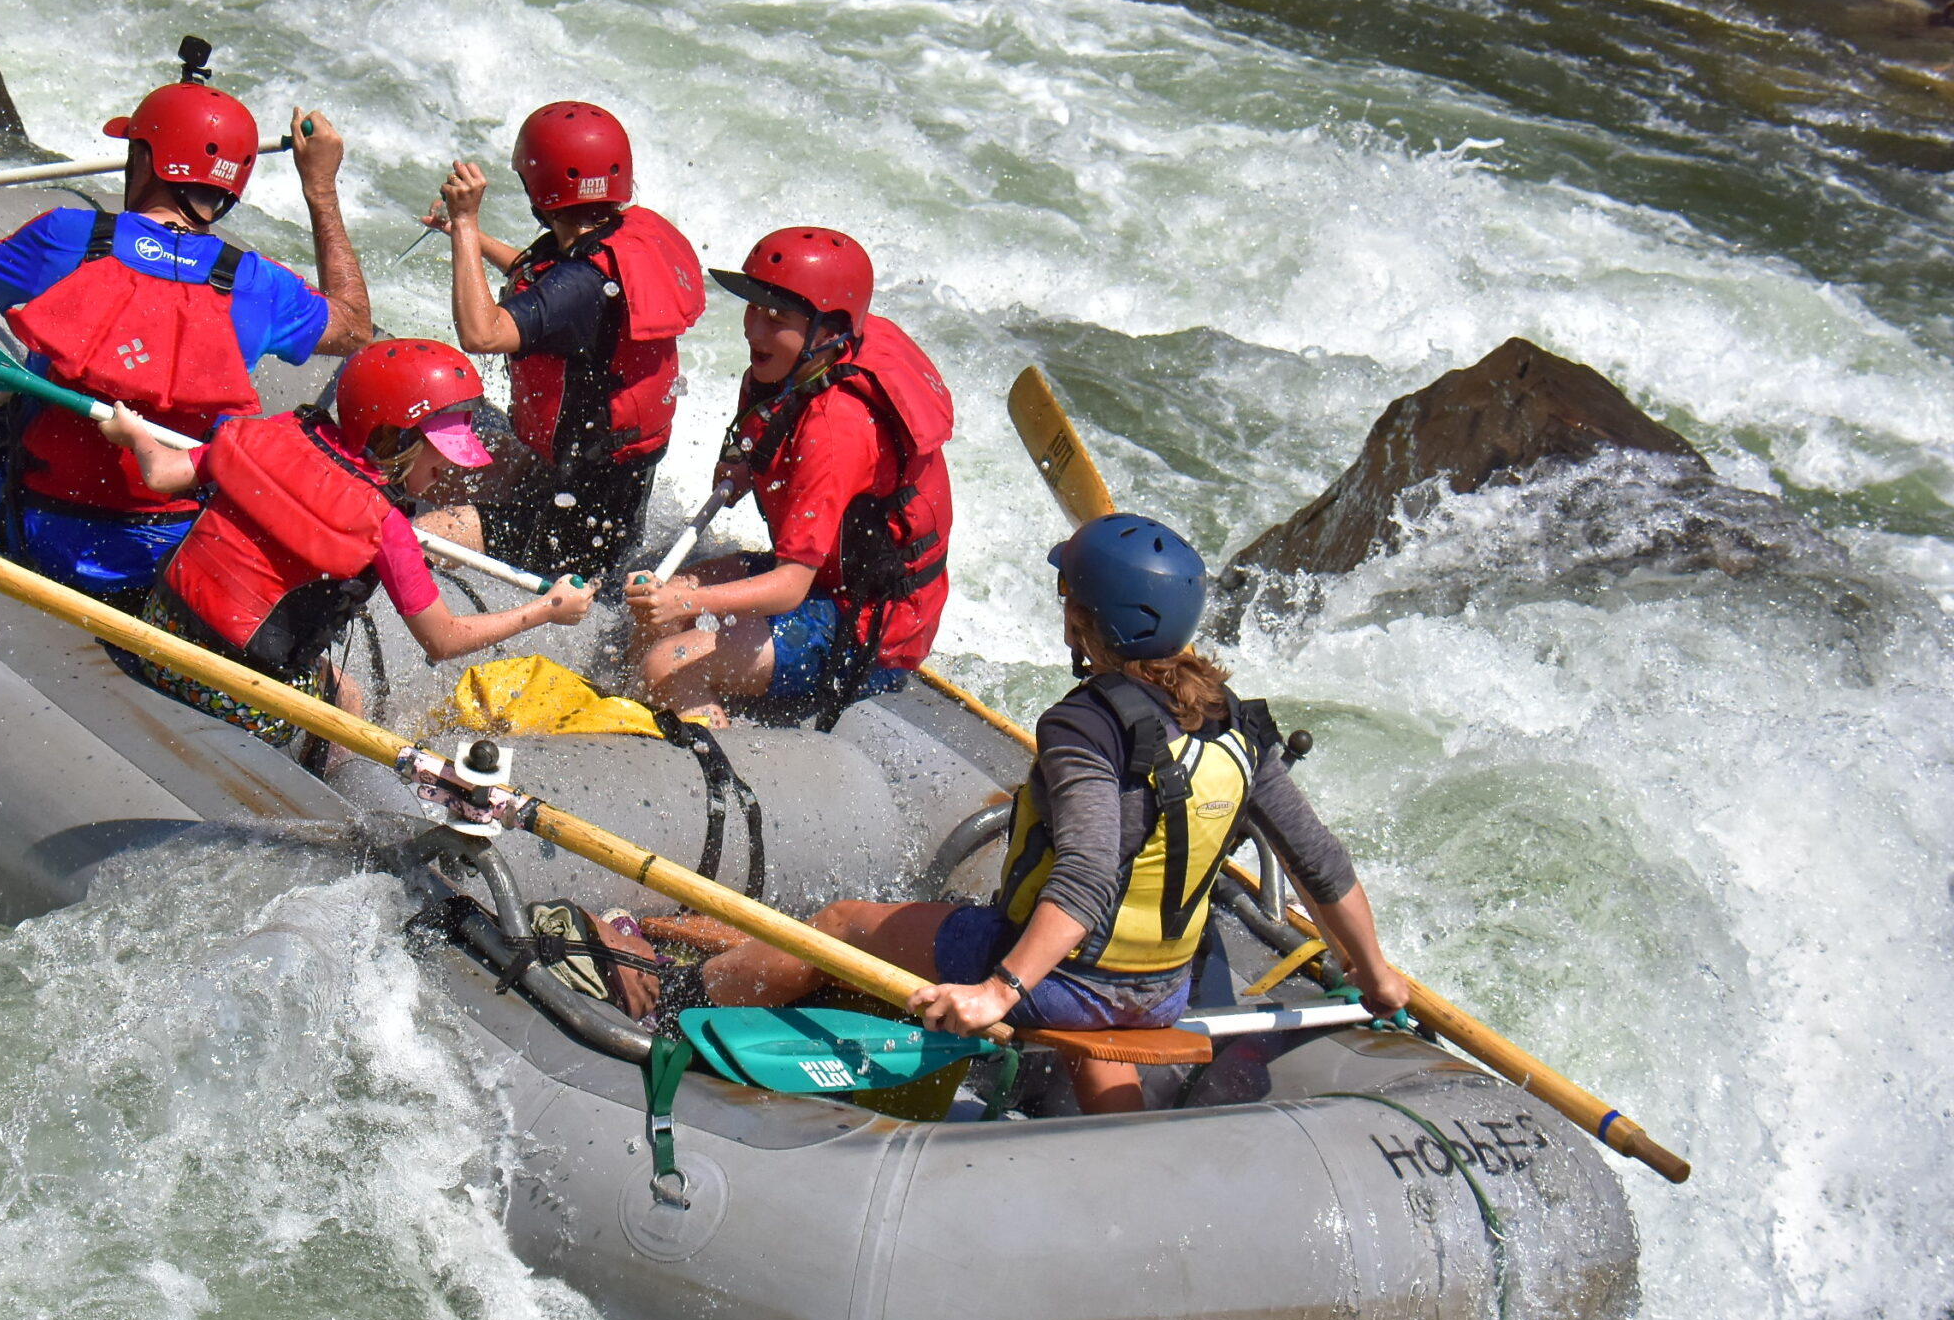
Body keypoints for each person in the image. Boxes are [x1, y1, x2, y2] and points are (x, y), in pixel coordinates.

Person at [691, 515, 1412, 1115]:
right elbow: (1318, 860)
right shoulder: (1238, 726)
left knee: (845, 921)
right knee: (1099, 1030)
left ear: (1082, 618)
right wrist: (1375, 974)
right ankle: (1122, 1157)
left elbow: (1089, 873)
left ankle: (681, 1008)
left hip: (1066, 979)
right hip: (1160, 990)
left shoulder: (1085, 726)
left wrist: (999, 989)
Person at [0, 60, 371, 606]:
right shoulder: (257, 284)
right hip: (167, 557)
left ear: (145, 160)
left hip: (37, 531)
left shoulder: (67, 235)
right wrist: (320, 188)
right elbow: (354, 328)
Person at [98, 338, 592, 748]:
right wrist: (547, 609)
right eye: (438, 451)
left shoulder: (272, 432)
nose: (450, 466)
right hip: (238, 698)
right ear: (394, 440)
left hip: (157, 637)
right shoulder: (387, 526)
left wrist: (135, 433)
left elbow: (162, 472)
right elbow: (442, 640)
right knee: (348, 698)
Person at [623, 228, 952, 728]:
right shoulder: (789, 371)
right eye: (753, 308)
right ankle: (666, 704)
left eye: (776, 318)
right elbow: (764, 438)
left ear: (828, 332)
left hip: (865, 628)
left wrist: (687, 603)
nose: (753, 329)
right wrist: (743, 464)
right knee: (657, 604)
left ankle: (712, 755)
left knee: (665, 662)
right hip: (830, 580)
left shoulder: (835, 429)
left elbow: (790, 586)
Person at [412, 102, 704, 583]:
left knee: (424, 531)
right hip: (586, 484)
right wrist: (467, 238)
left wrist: (465, 222)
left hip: (569, 528)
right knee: (433, 461)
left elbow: (482, 333)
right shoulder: (605, 247)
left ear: (539, 192)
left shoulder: (583, 285)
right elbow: (542, 284)